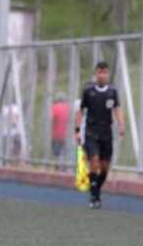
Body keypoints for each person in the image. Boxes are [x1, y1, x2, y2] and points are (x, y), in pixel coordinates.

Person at [75, 61, 125, 209]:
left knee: (105, 168)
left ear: (108, 74)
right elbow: (80, 111)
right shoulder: (88, 90)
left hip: (106, 134)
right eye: (99, 72)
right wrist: (77, 131)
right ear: (95, 74)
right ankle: (94, 195)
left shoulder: (112, 92)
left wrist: (121, 125)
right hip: (91, 133)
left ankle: (95, 191)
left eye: (105, 72)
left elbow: (117, 109)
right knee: (94, 161)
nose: (102, 75)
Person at [51, 92, 71, 168]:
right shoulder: (67, 108)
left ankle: (58, 167)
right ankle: (63, 166)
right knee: (63, 152)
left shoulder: (55, 107)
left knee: (57, 153)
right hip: (65, 134)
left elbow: (52, 118)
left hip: (56, 134)